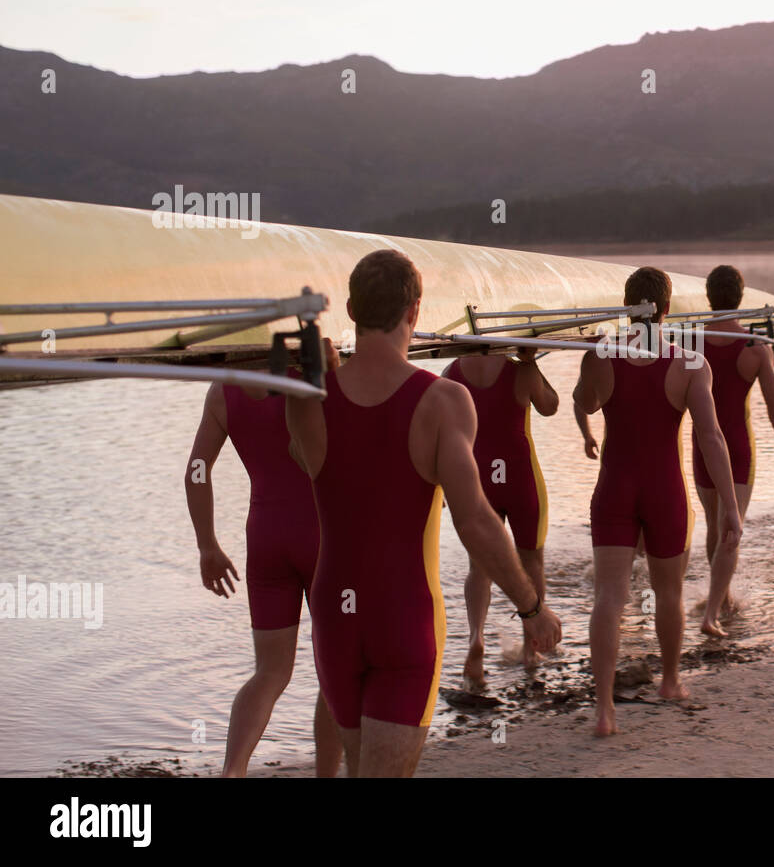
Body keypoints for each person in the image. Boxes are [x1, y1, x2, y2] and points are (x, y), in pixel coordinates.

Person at [285, 249, 561, 776]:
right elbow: (475, 519)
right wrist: (531, 607)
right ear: (415, 311)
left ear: (349, 308)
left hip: (336, 618)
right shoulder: (443, 401)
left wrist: (313, 372)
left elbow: (305, 457)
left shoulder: (309, 398)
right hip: (403, 616)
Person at [574, 266, 741, 736]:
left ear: (627, 306)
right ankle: (670, 681)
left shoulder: (602, 355)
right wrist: (729, 505)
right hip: (664, 488)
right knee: (669, 592)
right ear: (667, 309)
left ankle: (604, 710)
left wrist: (589, 359)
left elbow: (584, 405)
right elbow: (712, 437)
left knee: (609, 597)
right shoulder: (690, 364)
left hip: (614, 487)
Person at [184, 348, 343, 778]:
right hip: (323, 534)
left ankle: (232, 771)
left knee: (270, 672)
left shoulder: (222, 391)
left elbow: (196, 470)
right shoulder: (308, 375)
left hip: (267, 538)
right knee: (337, 667)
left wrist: (208, 546)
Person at [690, 265, 774, 637]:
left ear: (709, 297)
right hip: (736, 448)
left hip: (701, 447)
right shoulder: (756, 348)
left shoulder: (690, 341)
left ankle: (719, 597)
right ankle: (713, 613)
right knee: (730, 531)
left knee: (713, 525)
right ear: (741, 298)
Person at [442, 348, 558, 685]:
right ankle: (530, 646)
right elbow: (550, 406)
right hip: (520, 477)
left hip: (477, 480)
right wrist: (531, 361)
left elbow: (442, 432)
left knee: (479, 568)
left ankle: (476, 638)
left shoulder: (452, 372)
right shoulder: (520, 371)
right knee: (532, 561)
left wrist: (446, 484)